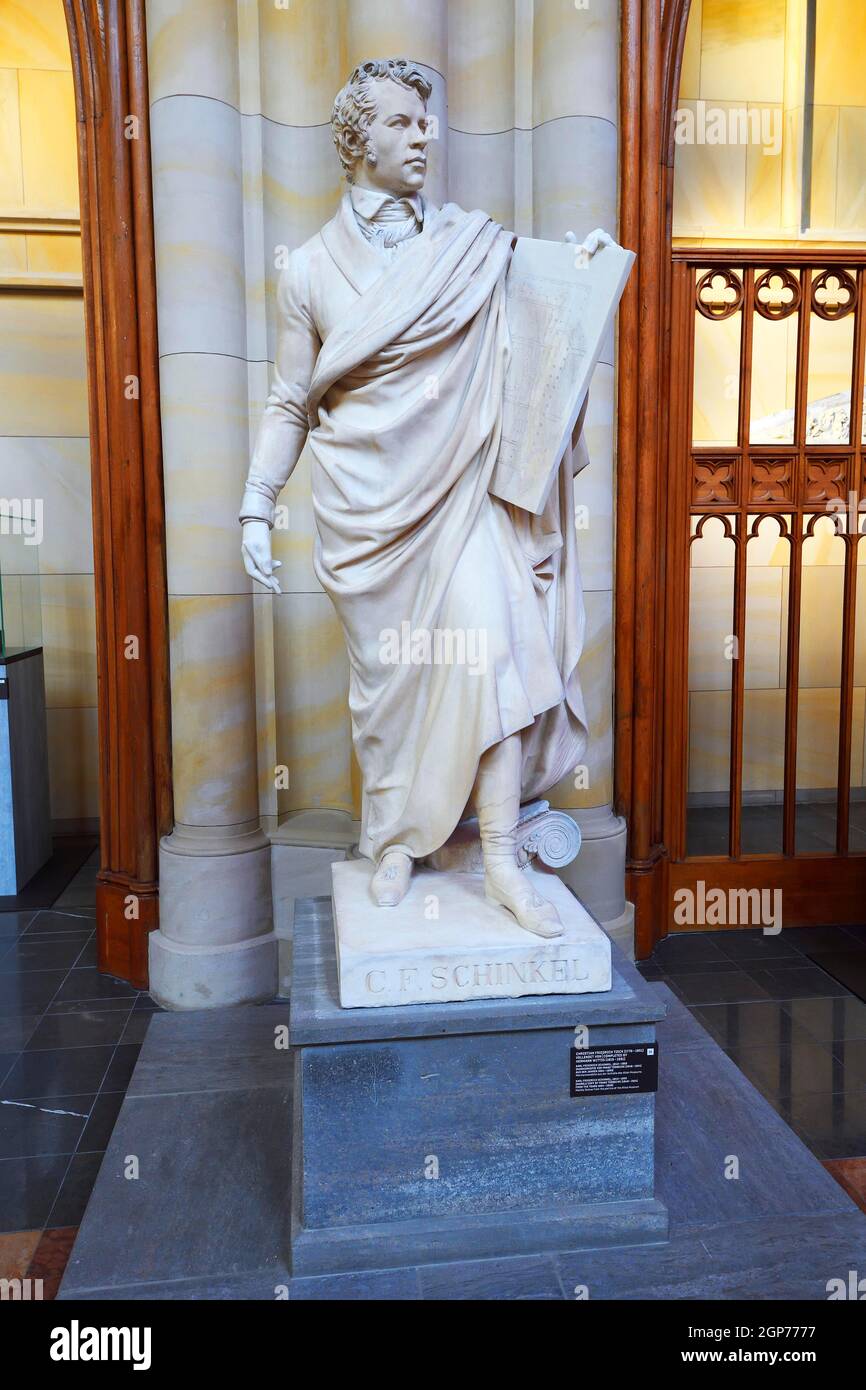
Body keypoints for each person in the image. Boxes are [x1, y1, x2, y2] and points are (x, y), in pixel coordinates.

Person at [240, 58, 609, 937]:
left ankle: (501, 859)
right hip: (369, 515)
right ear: (358, 140)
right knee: (394, 684)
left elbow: (536, 317)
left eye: (425, 123)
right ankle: (399, 838)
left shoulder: (470, 244)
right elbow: (292, 399)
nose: (423, 138)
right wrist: (258, 500)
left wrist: (579, 279)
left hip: (464, 499)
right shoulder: (312, 271)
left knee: (495, 656)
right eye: (404, 123)